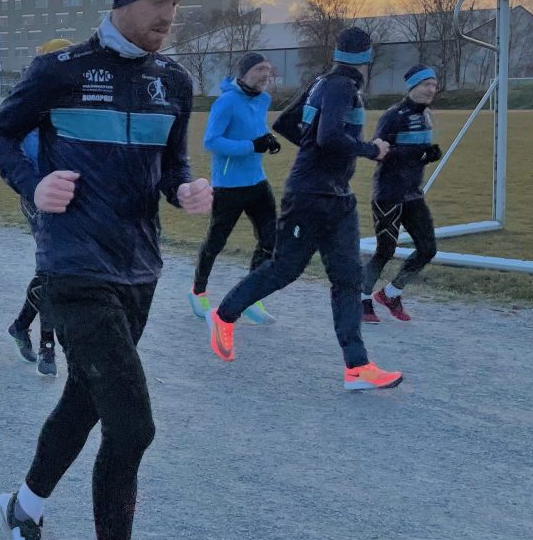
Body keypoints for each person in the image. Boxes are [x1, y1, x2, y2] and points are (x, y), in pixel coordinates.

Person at [0, 0, 213, 540]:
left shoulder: (173, 81)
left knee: (86, 401)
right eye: (159, 4)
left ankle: (23, 509)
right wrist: (32, 183)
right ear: (123, 0)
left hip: (138, 269)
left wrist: (183, 189)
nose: (168, 18)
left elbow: (170, 163)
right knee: (133, 424)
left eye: (176, 7)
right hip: (72, 267)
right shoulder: (60, 70)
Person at [206, 26, 404, 390]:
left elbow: (285, 124)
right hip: (310, 196)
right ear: (367, 55)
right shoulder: (340, 86)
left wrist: (317, 147)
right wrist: (370, 150)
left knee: (348, 279)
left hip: (338, 197)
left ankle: (357, 367)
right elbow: (328, 136)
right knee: (285, 268)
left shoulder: (323, 82)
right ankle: (225, 314)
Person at [188, 52, 281, 325]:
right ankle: (198, 291)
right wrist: (251, 146)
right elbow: (211, 141)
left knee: (270, 240)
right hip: (229, 185)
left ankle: (250, 296)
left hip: (257, 182)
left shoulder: (263, 100)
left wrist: (268, 138)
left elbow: (255, 128)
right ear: (244, 73)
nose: (265, 75)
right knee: (216, 241)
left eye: (267, 70)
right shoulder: (226, 101)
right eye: (259, 69)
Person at [6, 38, 72, 379]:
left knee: (57, 271)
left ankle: (21, 325)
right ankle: (48, 347)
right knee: (52, 272)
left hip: (69, 198)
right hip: (38, 198)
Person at [361, 65, 442, 323]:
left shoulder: (426, 115)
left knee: (427, 249)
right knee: (385, 250)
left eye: (434, 85)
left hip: (413, 193)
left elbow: (416, 154)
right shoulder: (393, 116)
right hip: (388, 192)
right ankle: (361, 300)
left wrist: (428, 155)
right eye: (426, 85)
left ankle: (390, 294)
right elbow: (377, 152)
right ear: (412, 86)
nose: (431, 90)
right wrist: (416, 154)